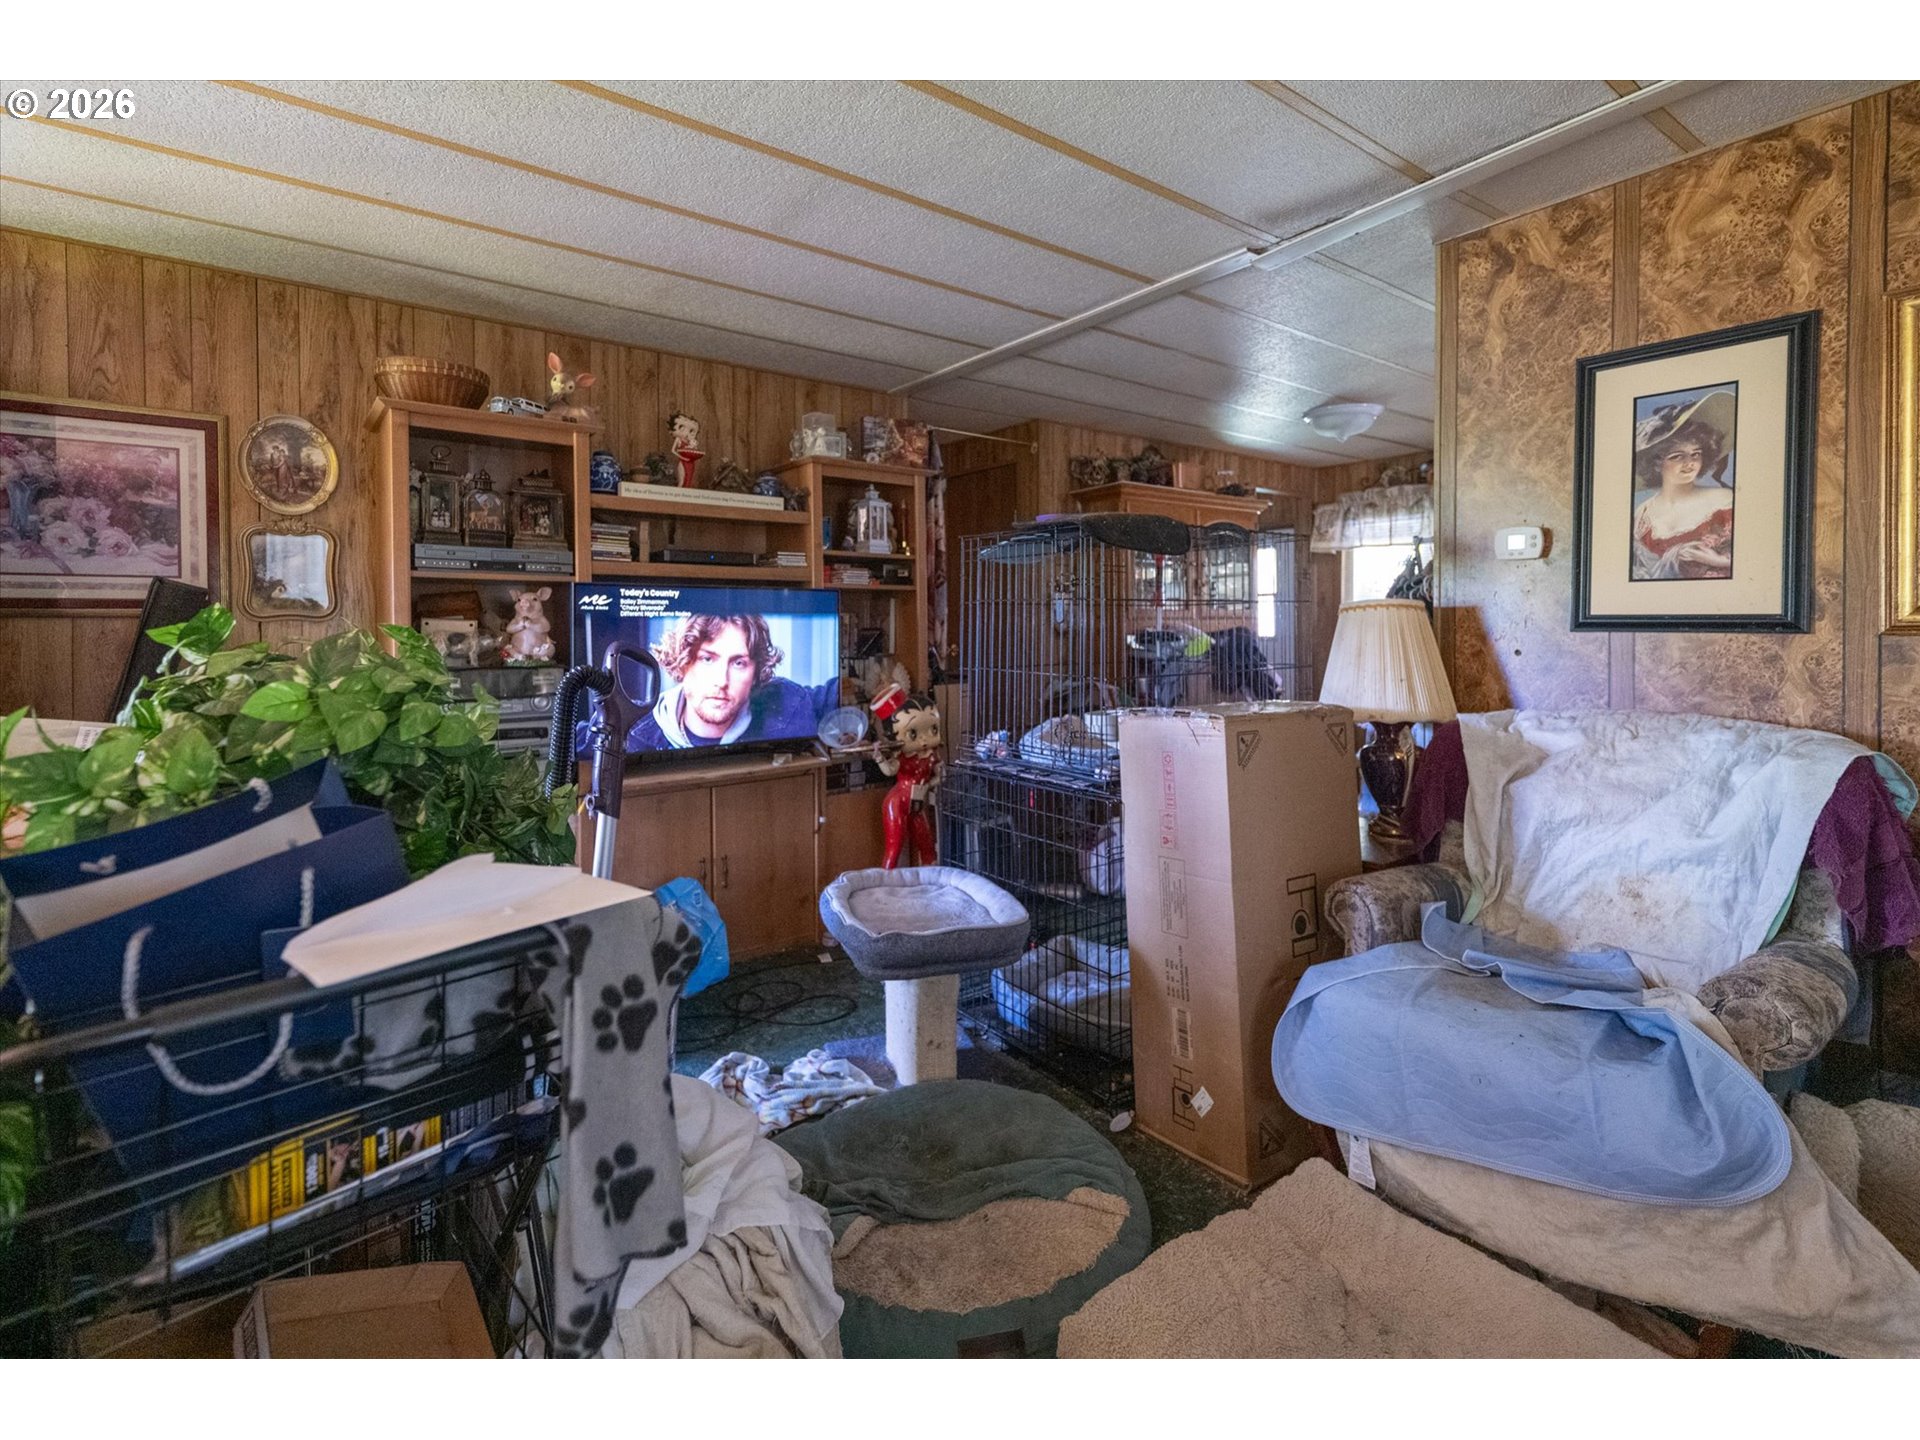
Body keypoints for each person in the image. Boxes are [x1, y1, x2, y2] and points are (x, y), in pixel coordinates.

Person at [626, 613, 836, 751]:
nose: (721, 681)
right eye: (707, 659)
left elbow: (838, 694)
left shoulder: (789, 702)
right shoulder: (634, 730)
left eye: (738, 663)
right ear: (682, 662)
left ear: (756, 673)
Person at [1630, 389, 1736, 581]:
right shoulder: (1641, 515)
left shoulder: (1725, 500)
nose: (1690, 463)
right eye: (1677, 456)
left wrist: (1719, 561)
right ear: (1656, 463)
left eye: (1696, 454)